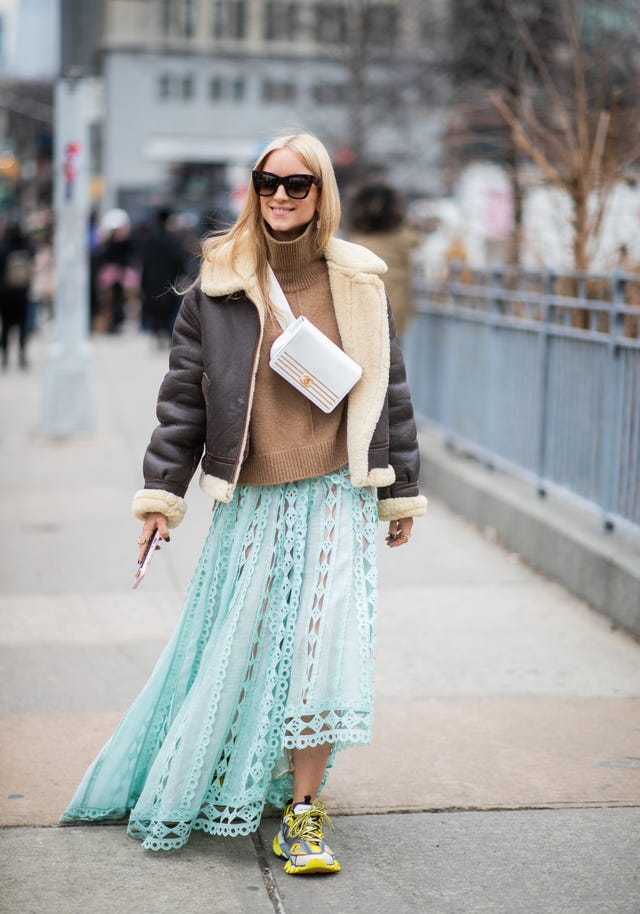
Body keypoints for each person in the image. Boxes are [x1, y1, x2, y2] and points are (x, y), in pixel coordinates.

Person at [61, 133, 427, 873]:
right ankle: (223, 767)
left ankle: (303, 811)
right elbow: (183, 402)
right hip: (254, 499)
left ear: (323, 193)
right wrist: (162, 493)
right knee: (244, 649)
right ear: (252, 190)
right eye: (269, 183)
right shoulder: (220, 285)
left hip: (335, 494)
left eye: (299, 185)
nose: (282, 197)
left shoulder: (360, 282)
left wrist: (401, 496)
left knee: (320, 653)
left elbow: (392, 394)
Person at [349, 182, 420, 338]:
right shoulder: (402, 240)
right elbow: (416, 236)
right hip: (394, 311)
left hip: (360, 312)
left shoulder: (355, 242)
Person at [140, 207, 190, 346]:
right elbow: (180, 260)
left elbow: (145, 262)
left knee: (155, 308)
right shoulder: (173, 240)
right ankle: (168, 334)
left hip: (152, 281)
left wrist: (143, 283)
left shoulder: (150, 240)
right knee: (169, 308)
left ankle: (157, 333)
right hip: (170, 281)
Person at [0, 222, 34, 370]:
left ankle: (5, 356)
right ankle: (22, 355)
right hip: (22, 293)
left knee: (6, 327)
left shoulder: (3, 246)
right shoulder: (26, 245)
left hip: (5, 294)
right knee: (22, 326)